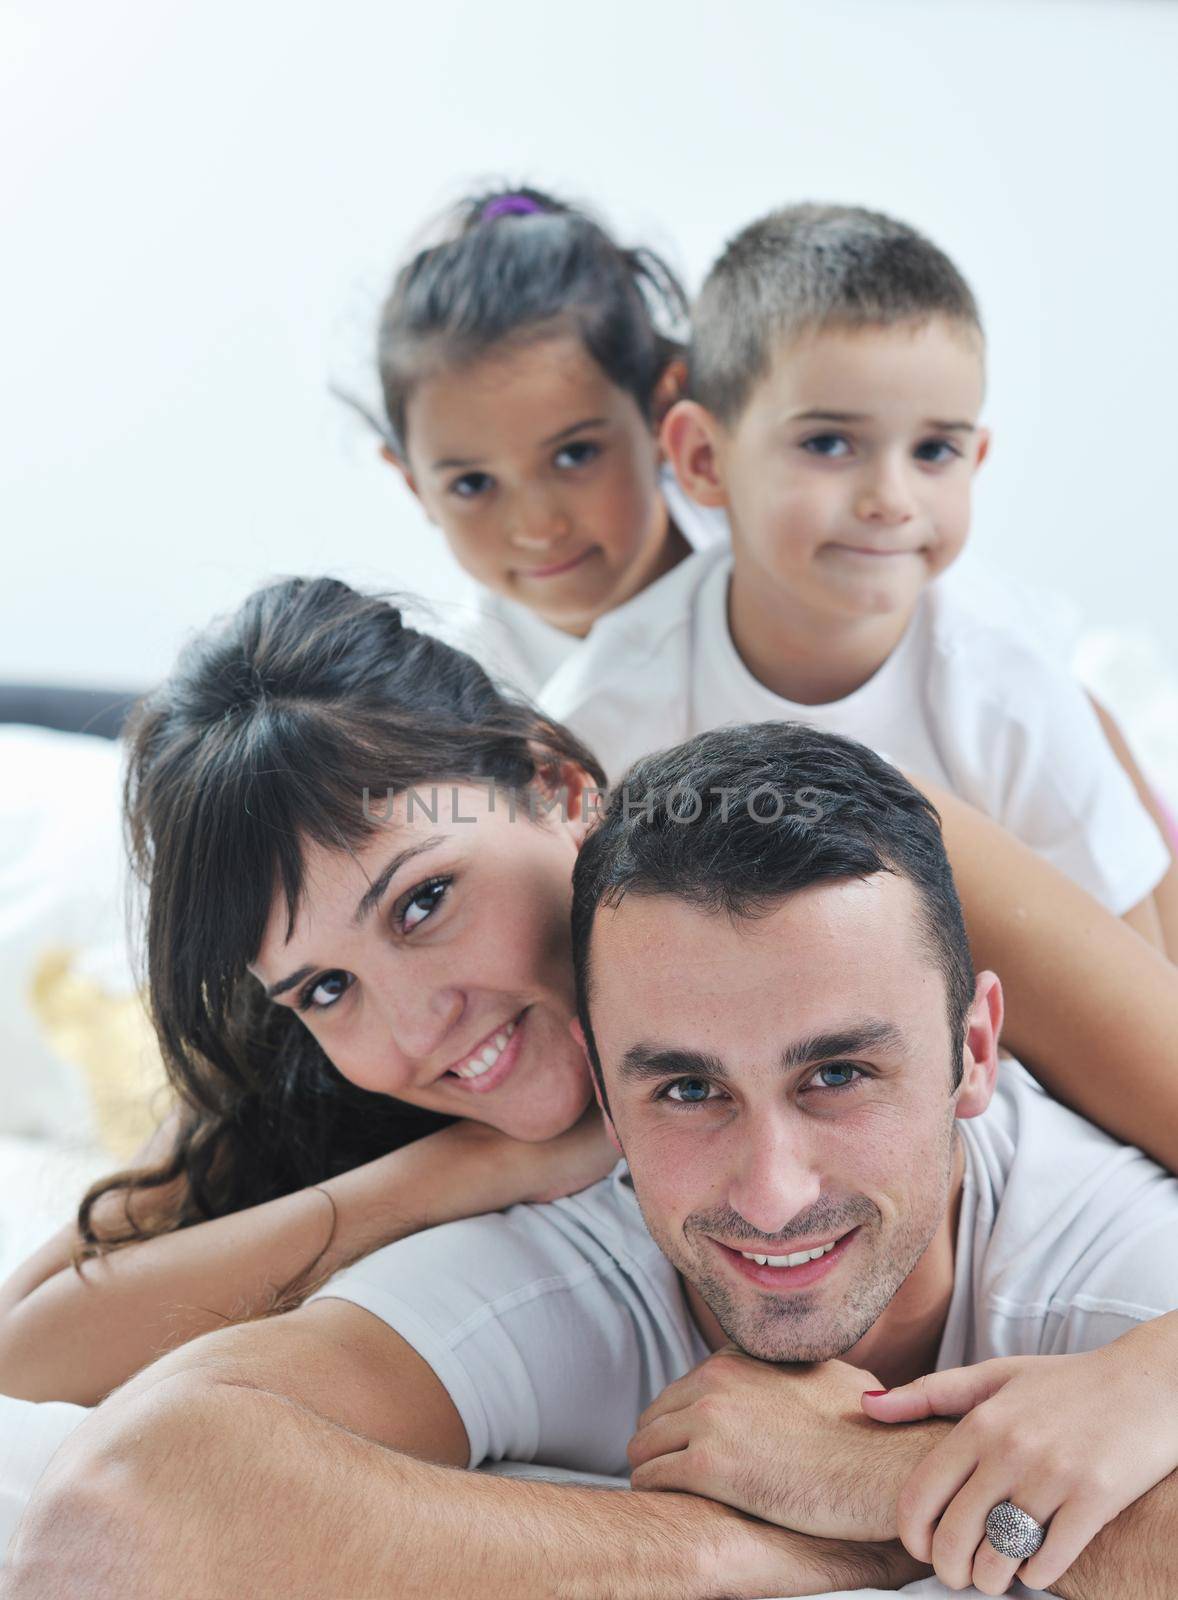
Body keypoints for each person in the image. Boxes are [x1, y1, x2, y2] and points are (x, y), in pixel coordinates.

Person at [8, 726, 1177, 1600]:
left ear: (973, 1048)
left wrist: (878, 1474)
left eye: (836, 1075)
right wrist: (755, 1543)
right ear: (604, 1097)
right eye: (682, 1089)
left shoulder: (1092, 1249)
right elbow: (106, 1493)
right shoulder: (556, 1224)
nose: (771, 1191)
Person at [4, 578, 1178, 1416]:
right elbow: (25, 1353)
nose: (417, 1026)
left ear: (559, 786)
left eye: (422, 904)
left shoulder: (839, 858)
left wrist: (1134, 1384)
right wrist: (451, 1175)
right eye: (324, 984)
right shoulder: (333, 1078)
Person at [535, 203, 1178, 953]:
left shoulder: (1009, 692)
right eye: (830, 442)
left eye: (934, 451)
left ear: (977, 458)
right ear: (705, 459)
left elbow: (1140, 992)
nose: (892, 501)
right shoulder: (611, 707)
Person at [361, 184, 725, 697]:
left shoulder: (785, 556)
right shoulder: (471, 707)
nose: (536, 528)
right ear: (414, 486)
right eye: (472, 484)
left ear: (662, 414)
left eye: (574, 455)